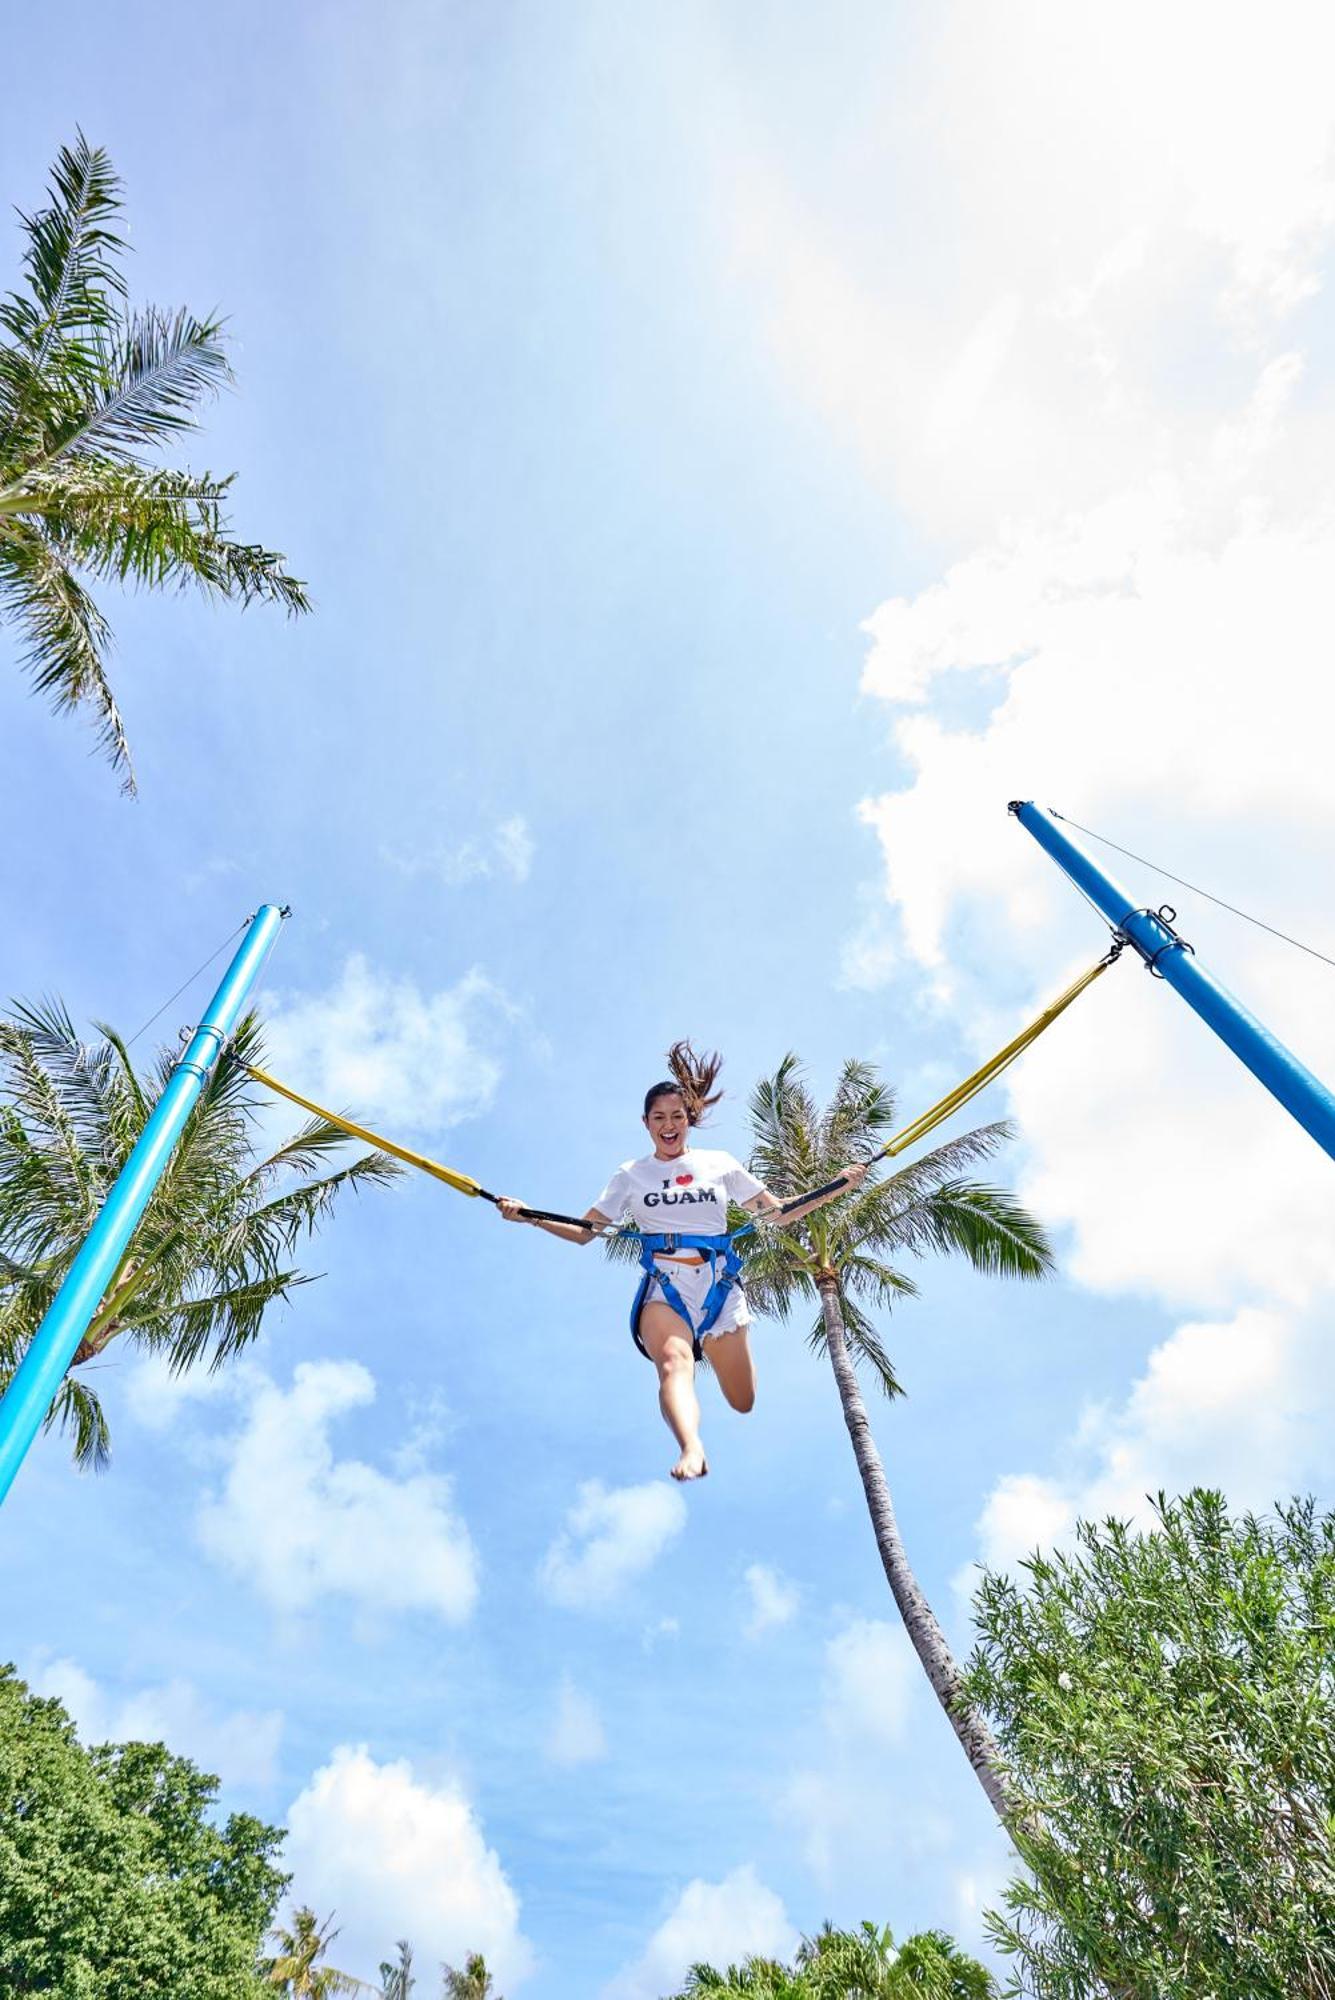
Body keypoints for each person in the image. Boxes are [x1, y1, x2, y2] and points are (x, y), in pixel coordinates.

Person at [497, 1042, 867, 1481]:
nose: (668, 1125)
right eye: (659, 1118)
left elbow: (779, 1213)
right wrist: (529, 1216)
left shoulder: (719, 1163)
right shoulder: (631, 1174)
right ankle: (692, 1449)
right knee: (674, 1363)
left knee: (742, 1399)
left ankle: (712, 1375)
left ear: (688, 1119)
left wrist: (838, 1186)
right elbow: (584, 1231)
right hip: (664, 1287)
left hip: (718, 1285)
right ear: (646, 1123)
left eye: (676, 1116)